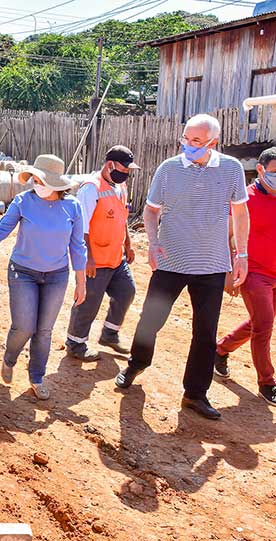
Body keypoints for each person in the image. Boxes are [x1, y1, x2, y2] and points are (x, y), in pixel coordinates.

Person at [115, 114, 250, 421]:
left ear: (213, 142)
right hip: (171, 259)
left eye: (196, 141)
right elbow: (151, 211)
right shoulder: (168, 169)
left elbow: (240, 214)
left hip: (213, 263)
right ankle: (136, 362)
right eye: (186, 139)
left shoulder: (231, 169)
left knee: (205, 331)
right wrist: (151, 242)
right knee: (152, 318)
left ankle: (195, 393)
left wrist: (241, 255)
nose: (188, 145)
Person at [0, 154, 87, 400]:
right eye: (34, 178)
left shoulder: (72, 206)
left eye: (40, 180)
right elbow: (2, 228)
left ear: (55, 183)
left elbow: (77, 246)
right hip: (23, 272)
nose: (35, 183)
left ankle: (37, 377)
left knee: (44, 330)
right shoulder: (23, 201)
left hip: (57, 276)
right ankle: (10, 358)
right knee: (24, 326)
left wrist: (81, 282)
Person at [65, 146, 140, 361]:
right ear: (110, 165)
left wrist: (128, 243)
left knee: (127, 292)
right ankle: (75, 344)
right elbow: (81, 227)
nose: (126, 174)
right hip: (95, 260)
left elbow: (121, 216)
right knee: (88, 302)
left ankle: (109, 334)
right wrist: (87, 257)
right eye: (124, 169)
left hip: (116, 257)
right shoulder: (90, 189)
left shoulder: (120, 186)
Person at [214, 147, 276, 406]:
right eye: (275, 171)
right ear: (260, 170)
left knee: (260, 320)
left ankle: (219, 350)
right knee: (264, 324)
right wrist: (229, 270)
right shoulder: (245, 199)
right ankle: (267, 382)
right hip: (254, 272)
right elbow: (226, 236)